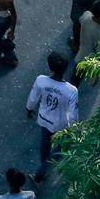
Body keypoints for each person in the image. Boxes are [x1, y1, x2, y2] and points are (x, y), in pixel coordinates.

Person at [25, 52, 79, 182]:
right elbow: (72, 115)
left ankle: (43, 168)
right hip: (60, 124)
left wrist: (29, 109)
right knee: (60, 148)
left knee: (45, 142)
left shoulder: (41, 80)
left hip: (44, 119)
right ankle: (43, 169)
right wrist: (74, 129)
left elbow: (33, 98)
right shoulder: (71, 90)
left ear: (50, 67)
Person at [71, 0, 100, 87]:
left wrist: (76, 42)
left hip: (81, 54)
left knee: (74, 81)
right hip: (91, 60)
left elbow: (78, 23)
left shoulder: (86, 15)